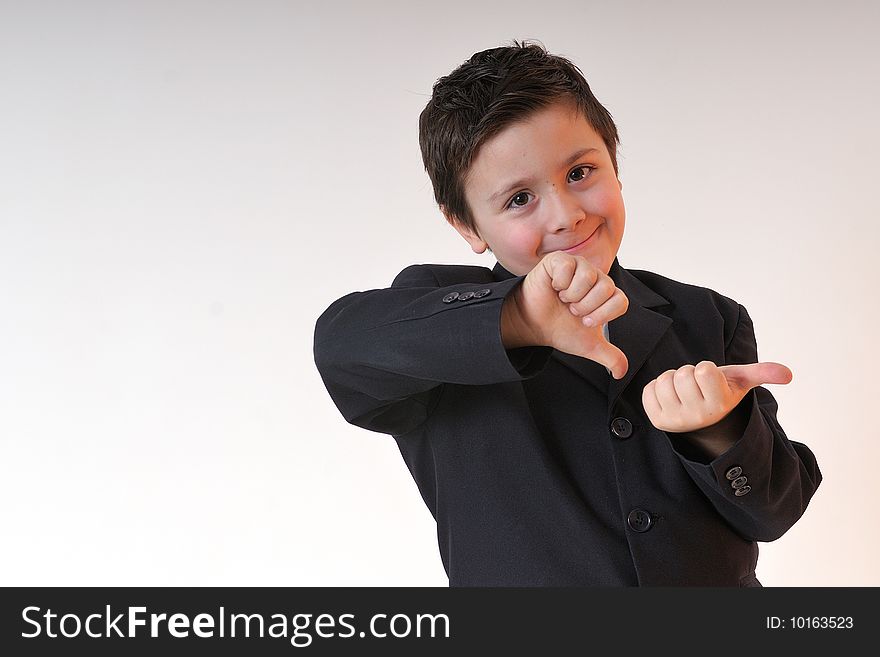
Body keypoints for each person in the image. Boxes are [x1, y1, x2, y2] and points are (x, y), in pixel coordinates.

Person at [313, 40, 821, 586]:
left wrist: (718, 432)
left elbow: (773, 512)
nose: (566, 215)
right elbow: (343, 345)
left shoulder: (708, 317)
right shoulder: (438, 318)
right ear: (465, 226)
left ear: (616, 164)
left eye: (580, 172)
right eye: (518, 199)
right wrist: (518, 321)